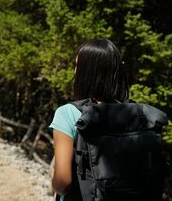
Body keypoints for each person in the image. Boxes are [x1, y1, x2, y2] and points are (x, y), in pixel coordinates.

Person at [49, 38, 129, 200]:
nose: (74, 71)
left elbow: (63, 184)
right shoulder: (133, 114)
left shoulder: (68, 113)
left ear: (87, 72)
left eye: (77, 66)